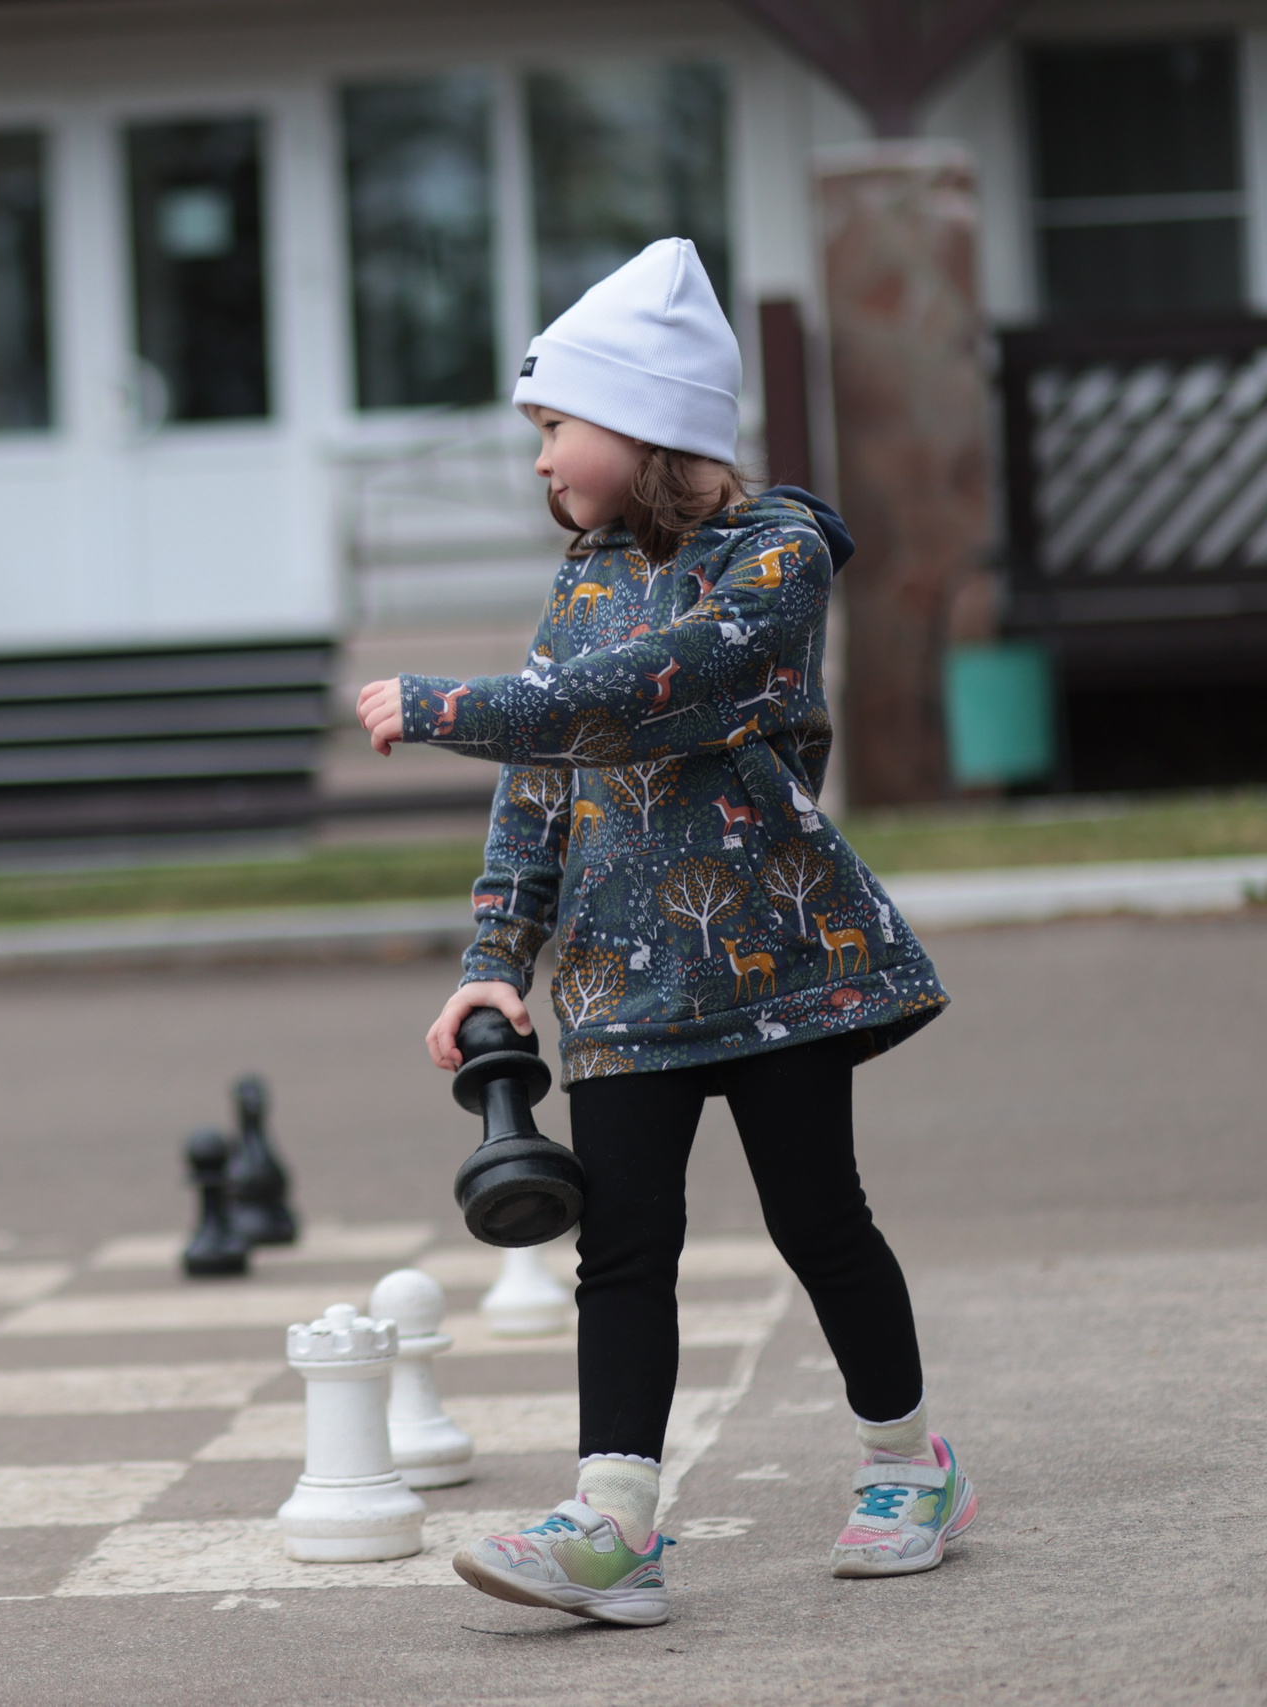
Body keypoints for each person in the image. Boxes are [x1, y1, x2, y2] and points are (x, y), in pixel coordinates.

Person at [356, 238, 975, 1627]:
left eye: (554, 428)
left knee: (822, 1219)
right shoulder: (579, 581)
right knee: (622, 1246)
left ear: (644, 427)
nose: (538, 462)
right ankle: (615, 1524)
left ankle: (908, 1466)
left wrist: (448, 705)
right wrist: (492, 971)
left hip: (774, 970)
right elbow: (540, 791)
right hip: (620, 982)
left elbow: (649, 695)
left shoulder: (778, 560)